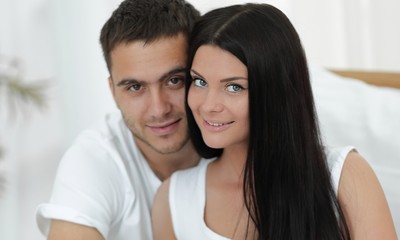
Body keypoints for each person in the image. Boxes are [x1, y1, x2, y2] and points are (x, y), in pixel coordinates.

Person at [152, 3, 397, 240]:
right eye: (200, 82)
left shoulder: (344, 176)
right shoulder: (173, 201)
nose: (208, 105)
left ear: (276, 91)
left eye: (234, 87)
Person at [35, 0, 200, 239]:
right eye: (135, 87)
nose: (158, 109)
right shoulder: (95, 158)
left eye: (175, 80)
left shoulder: (241, 142)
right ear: (113, 91)